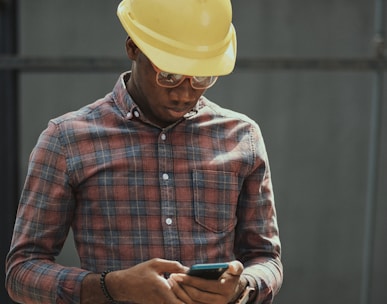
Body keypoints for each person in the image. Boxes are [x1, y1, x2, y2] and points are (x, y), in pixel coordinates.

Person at [5, 0, 283, 303]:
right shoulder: (66, 140)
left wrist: (242, 287)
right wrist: (110, 287)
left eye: (202, 77)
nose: (184, 93)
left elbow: (266, 258)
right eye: (169, 75)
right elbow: (22, 272)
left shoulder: (243, 137)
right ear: (133, 48)